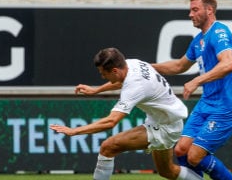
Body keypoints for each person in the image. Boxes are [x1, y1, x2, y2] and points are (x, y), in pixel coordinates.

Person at [50, 47, 203, 180]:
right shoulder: (132, 63)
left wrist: (75, 131)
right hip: (168, 121)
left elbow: (111, 122)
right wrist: (96, 90)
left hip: (165, 128)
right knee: (167, 171)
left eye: (104, 74)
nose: (103, 77)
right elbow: (119, 81)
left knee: (108, 147)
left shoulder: (135, 87)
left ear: (115, 70)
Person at [151, 0, 232, 180]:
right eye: (190, 10)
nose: (190, 15)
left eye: (195, 10)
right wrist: (147, 67)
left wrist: (196, 81)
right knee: (181, 150)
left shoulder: (219, 32)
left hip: (226, 107)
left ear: (209, 10)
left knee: (194, 156)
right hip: (206, 104)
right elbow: (179, 66)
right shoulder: (198, 40)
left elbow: (228, 64)